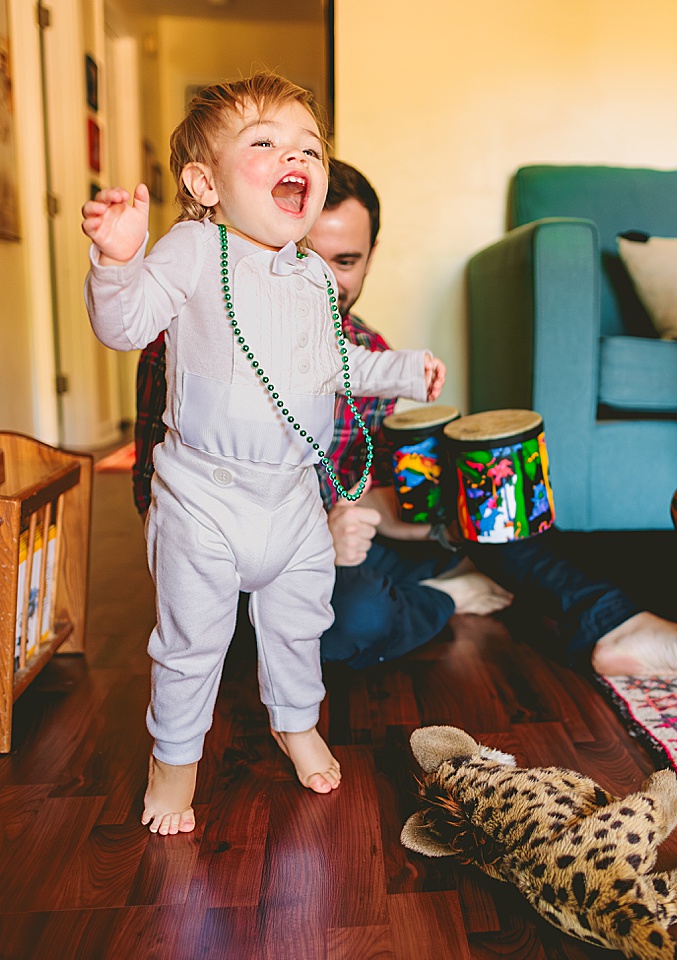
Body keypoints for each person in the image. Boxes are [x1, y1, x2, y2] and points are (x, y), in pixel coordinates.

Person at [133, 160, 677, 683]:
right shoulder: (189, 336)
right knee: (350, 624)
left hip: (351, 546)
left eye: (345, 261)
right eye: (305, 256)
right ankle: (446, 596)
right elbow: (156, 501)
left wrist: (423, 500)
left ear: (372, 256)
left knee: (490, 504)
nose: (324, 282)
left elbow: (372, 491)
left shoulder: (367, 348)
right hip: (246, 567)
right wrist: (321, 530)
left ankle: (618, 624)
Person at [83, 73, 444, 835]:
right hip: (204, 497)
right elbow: (125, 327)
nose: (298, 158)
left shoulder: (312, 275)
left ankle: (295, 722)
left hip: (291, 499)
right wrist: (118, 263)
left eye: (309, 147)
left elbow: (334, 365)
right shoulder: (191, 250)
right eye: (267, 143)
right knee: (191, 643)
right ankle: (172, 765)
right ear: (203, 183)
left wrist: (404, 369)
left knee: (298, 625)